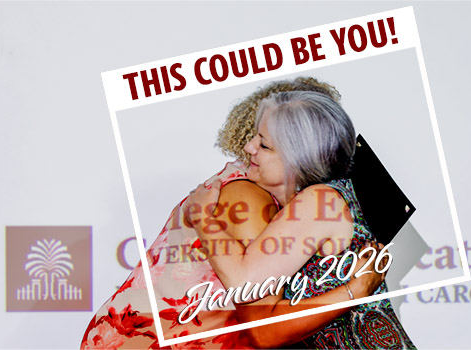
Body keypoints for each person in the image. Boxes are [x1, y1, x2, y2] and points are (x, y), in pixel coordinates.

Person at [81, 78, 388, 349]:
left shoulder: (293, 202)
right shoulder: (250, 198)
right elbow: (260, 322)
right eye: (256, 137)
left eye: (264, 144)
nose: (250, 147)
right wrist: (355, 290)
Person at [186, 91, 416, 348]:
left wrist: (202, 217)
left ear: (297, 158)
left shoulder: (319, 201)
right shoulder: (306, 205)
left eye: (264, 144)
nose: (249, 147)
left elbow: (246, 291)